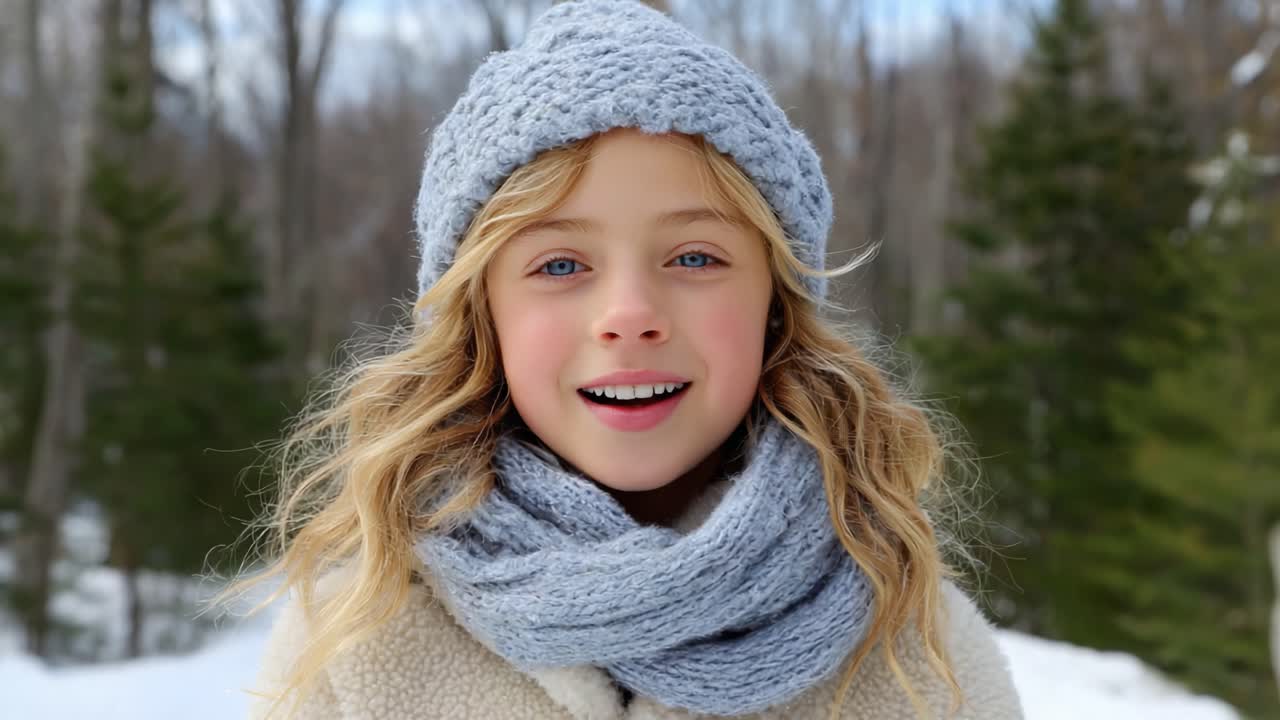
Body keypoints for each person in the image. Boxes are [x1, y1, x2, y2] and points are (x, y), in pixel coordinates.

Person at [234, 1, 1024, 718]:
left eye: (692, 258)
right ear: (483, 319)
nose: (630, 318)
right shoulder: (356, 642)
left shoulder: (915, 641)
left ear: (775, 304)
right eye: (560, 266)